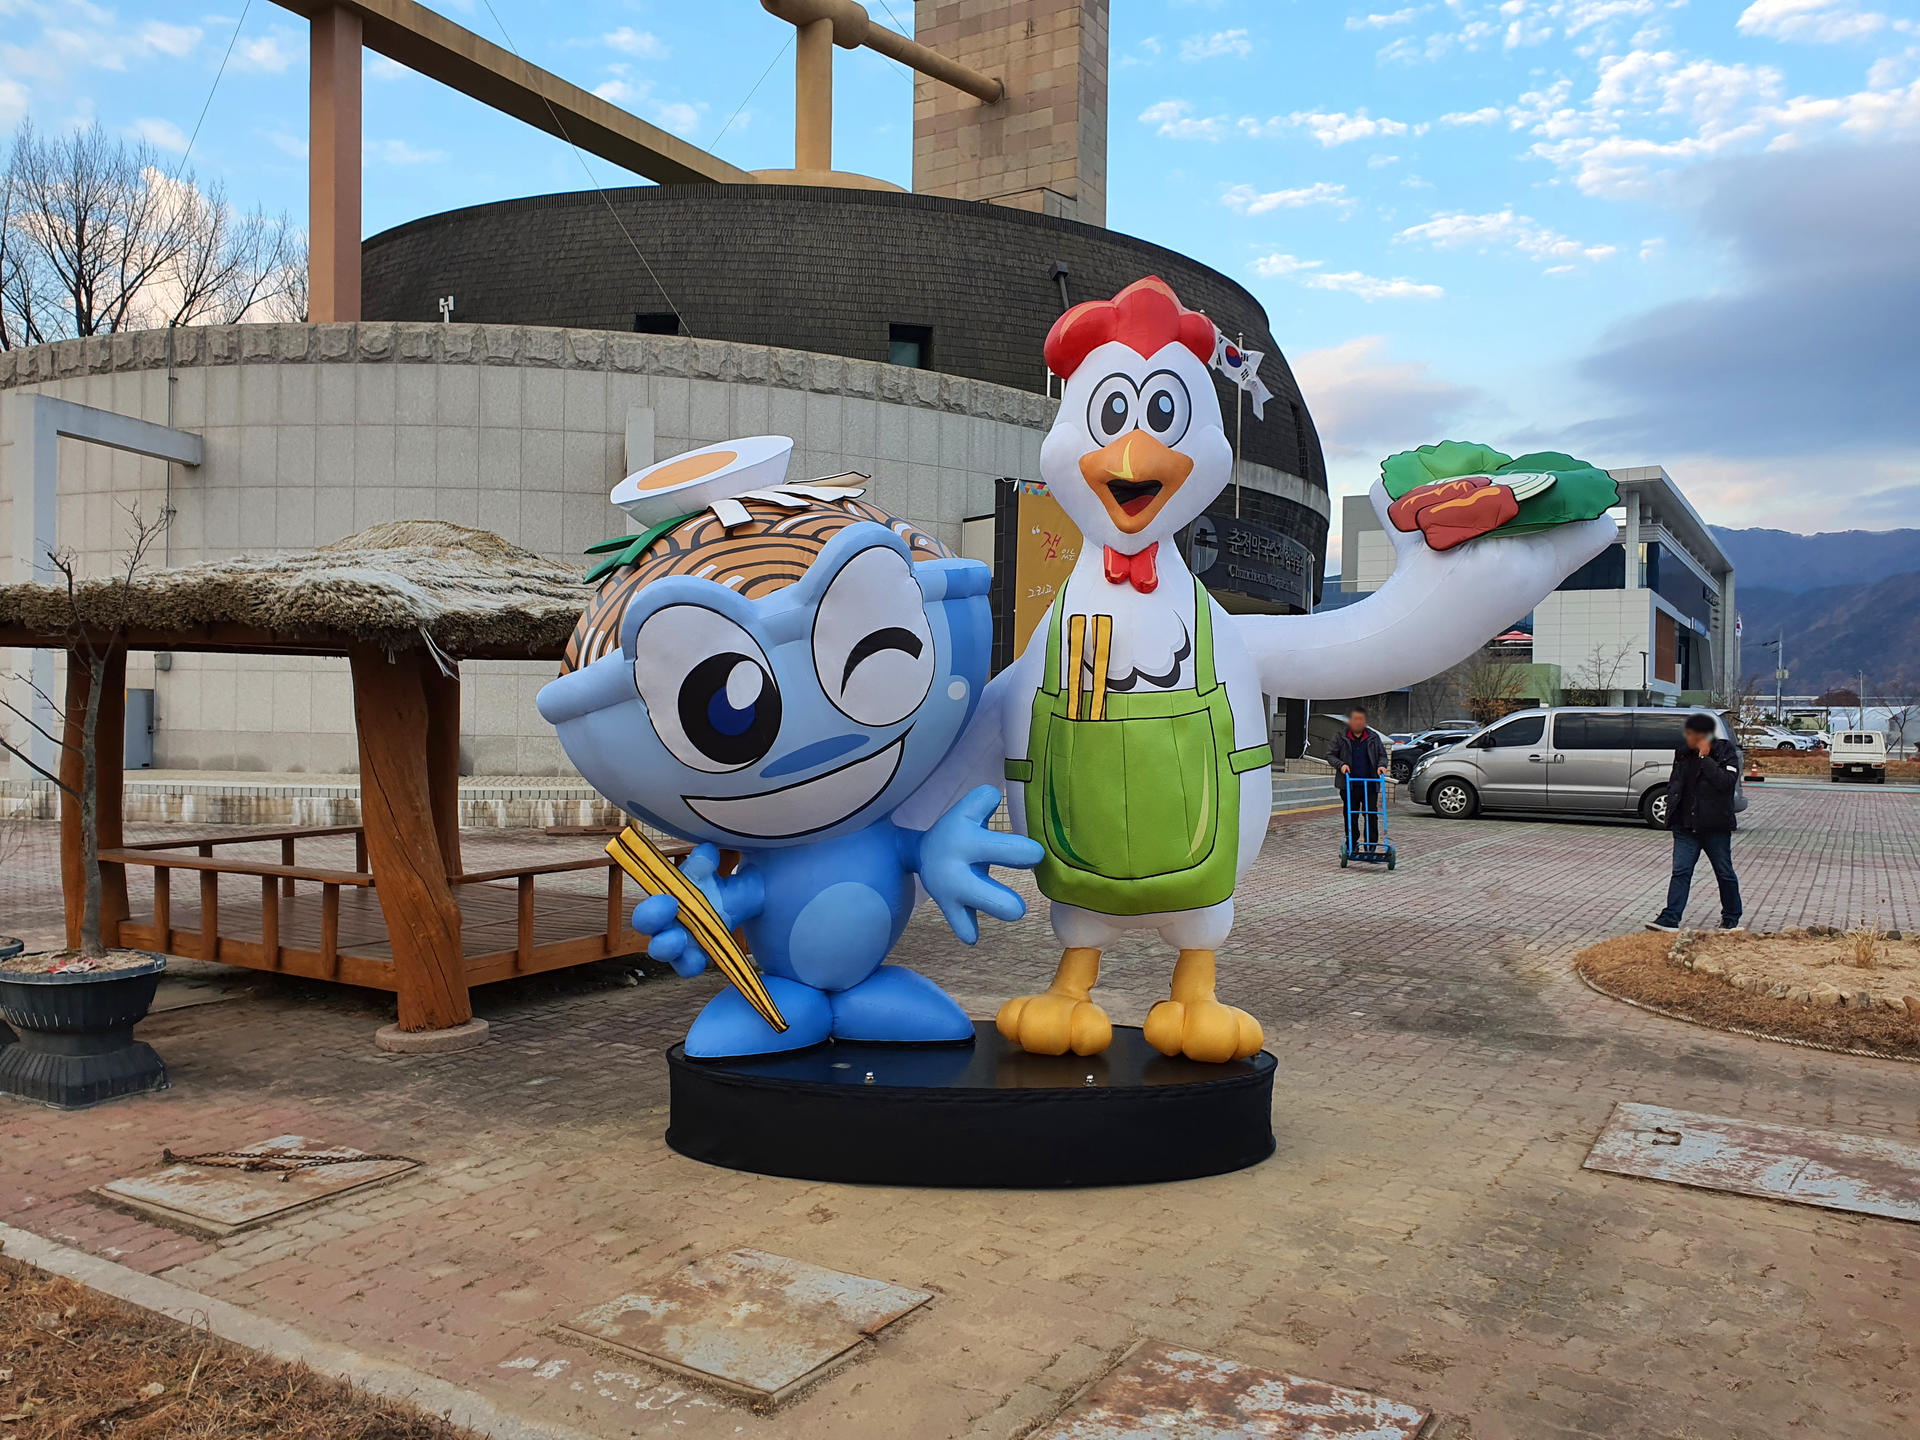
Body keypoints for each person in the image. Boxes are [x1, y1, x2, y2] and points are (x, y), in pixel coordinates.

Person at [1647, 713, 1743, 932]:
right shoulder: (1682, 753)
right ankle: (1670, 917)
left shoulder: (1725, 751)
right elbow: (1675, 784)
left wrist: (1705, 759)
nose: (1688, 738)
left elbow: (1726, 783)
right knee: (1681, 872)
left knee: (1724, 872)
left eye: (1692, 734)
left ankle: (1731, 916)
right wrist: (1672, 812)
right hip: (1685, 826)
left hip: (1715, 827)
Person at [1329, 707, 1387, 855]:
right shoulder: (1341, 736)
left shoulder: (1373, 737)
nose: (1358, 722)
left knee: (1371, 814)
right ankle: (1352, 844)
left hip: (1370, 783)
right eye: (1355, 719)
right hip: (1349, 784)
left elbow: (1382, 755)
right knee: (1350, 815)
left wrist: (1381, 766)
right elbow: (1330, 755)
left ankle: (1370, 845)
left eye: (1361, 719)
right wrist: (1341, 765)